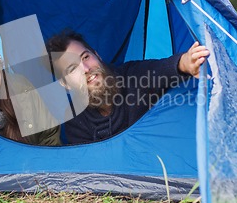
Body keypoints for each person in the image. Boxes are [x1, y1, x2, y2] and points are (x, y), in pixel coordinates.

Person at [45, 30, 210, 144]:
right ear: (65, 84)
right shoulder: (75, 118)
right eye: (73, 69)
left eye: (86, 57)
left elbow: (162, 69)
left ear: (97, 55)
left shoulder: (133, 76)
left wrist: (185, 63)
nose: (86, 69)